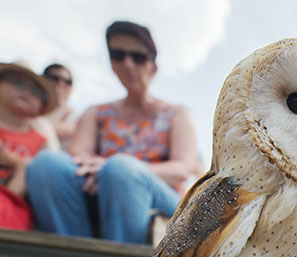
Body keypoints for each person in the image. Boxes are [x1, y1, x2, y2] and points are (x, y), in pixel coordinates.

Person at [26, 20, 197, 244]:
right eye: (118, 55)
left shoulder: (176, 114)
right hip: (100, 188)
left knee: (121, 170)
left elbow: (182, 169)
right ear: (112, 64)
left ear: (153, 67)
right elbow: (78, 156)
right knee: (46, 164)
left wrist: (116, 169)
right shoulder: (96, 113)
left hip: (159, 196)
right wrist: (104, 172)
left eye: (138, 57)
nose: (128, 64)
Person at [0, 63, 59, 230]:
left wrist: (19, 164)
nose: (26, 91)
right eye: (16, 82)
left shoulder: (42, 142)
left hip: (14, 208)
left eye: (36, 92)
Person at [41, 63, 76, 147]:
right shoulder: (31, 107)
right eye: (55, 78)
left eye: (68, 82)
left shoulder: (75, 115)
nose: (61, 84)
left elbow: (75, 129)